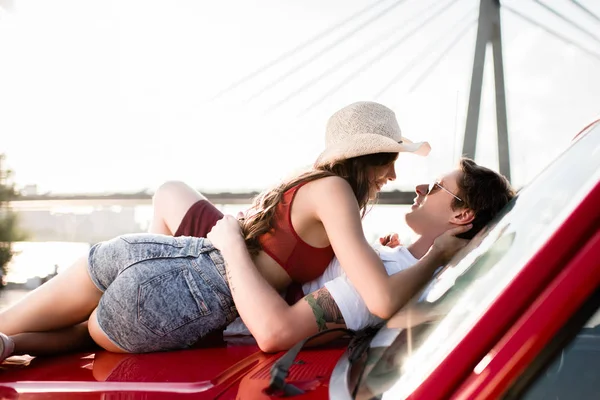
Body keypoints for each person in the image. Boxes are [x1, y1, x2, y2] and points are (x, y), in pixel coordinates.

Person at [0, 101, 444, 358]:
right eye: (389, 159)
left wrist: (376, 249)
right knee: (82, 337)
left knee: (12, 325)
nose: (392, 173)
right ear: (365, 158)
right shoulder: (337, 195)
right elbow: (381, 298)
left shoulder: (308, 186)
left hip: (147, 253)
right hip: (187, 298)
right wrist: (440, 252)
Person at [207, 158, 515, 351]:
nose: (420, 187)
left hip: (213, 294)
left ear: (462, 215)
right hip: (215, 283)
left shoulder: (390, 276)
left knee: (172, 191)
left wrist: (232, 243)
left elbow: (277, 332)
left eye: (436, 186)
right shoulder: (396, 264)